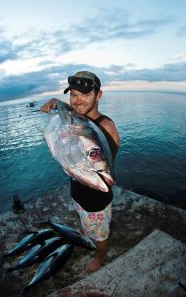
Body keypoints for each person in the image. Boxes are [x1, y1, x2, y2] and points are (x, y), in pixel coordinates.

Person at [40, 71, 120, 272]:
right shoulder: (78, 119)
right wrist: (57, 102)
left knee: (99, 235)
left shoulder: (106, 126)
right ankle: (84, 228)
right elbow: (74, 116)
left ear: (98, 95)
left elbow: (100, 158)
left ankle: (100, 255)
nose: (78, 101)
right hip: (78, 188)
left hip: (97, 199)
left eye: (85, 95)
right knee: (82, 218)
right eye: (73, 95)